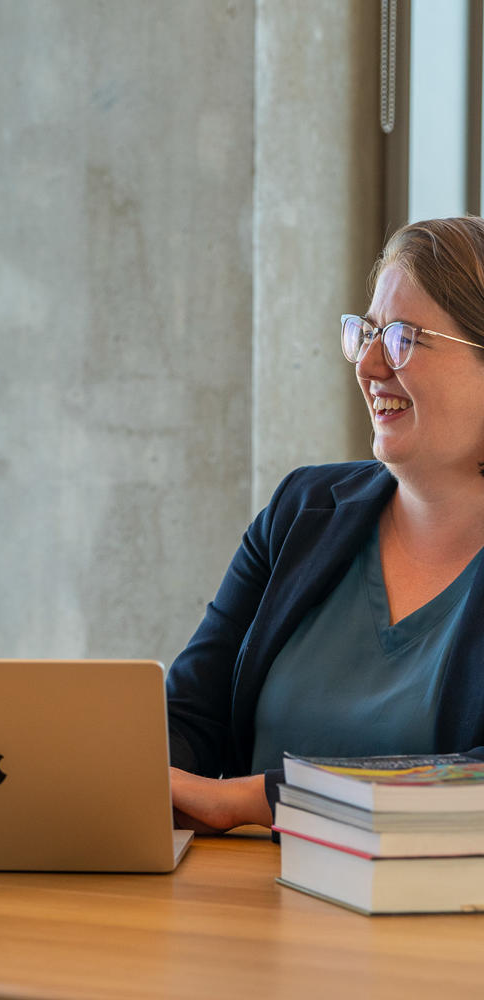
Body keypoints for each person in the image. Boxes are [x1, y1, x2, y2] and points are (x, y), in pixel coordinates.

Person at [167, 216, 484, 833]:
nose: (369, 364)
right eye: (366, 333)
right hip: (239, 890)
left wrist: (252, 800)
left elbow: (473, 780)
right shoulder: (303, 510)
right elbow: (191, 717)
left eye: (404, 338)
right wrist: (123, 770)